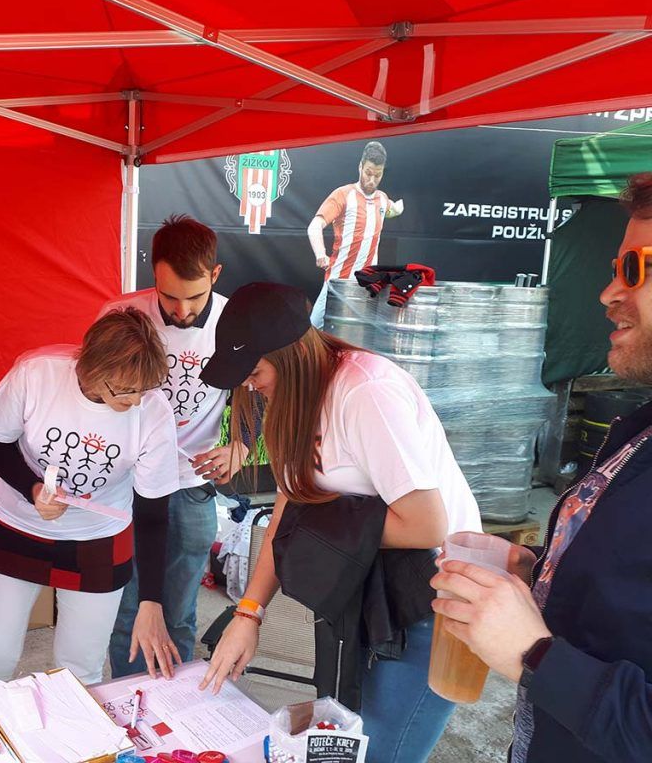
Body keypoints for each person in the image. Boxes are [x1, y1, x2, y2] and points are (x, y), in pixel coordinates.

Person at [197, 282, 481, 763]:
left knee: (383, 751)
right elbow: (291, 502)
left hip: (432, 599)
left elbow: (426, 525)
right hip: (366, 589)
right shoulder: (293, 397)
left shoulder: (366, 392)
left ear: (289, 357)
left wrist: (317, 528)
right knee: (345, 738)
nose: (248, 385)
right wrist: (249, 613)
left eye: (255, 371)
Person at [431, 173, 652, 763]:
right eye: (615, 267)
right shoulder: (641, 426)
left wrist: (537, 655)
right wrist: (545, 572)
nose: (608, 292)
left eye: (635, 269)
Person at [0, 307, 181, 692]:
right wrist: (32, 488)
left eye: (143, 389)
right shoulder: (38, 373)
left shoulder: (153, 412)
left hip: (99, 538)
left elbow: (153, 514)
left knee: (80, 671)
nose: (135, 400)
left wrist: (151, 600)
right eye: (125, 390)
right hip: (15, 525)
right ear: (91, 369)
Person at [99, 215, 249, 678]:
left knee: (180, 612)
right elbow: (94, 391)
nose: (181, 311)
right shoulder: (120, 315)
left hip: (192, 480)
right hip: (126, 482)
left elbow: (256, 389)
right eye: (168, 297)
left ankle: (176, 707)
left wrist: (242, 443)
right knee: (129, 611)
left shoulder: (235, 321)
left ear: (215, 274)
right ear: (154, 274)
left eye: (194, 297)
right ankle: (129, 703)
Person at [308, 141, 405, 327]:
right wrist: (320, 253)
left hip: (366, 284)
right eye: (368, 173)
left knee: (357, 334)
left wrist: (398, 208)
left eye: (378, 175)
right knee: (315, 329)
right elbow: (315, 225)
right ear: (360, 167)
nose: (372, 180)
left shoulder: (382, 199)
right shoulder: (343, 195)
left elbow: (390, 210)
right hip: (338, 281)